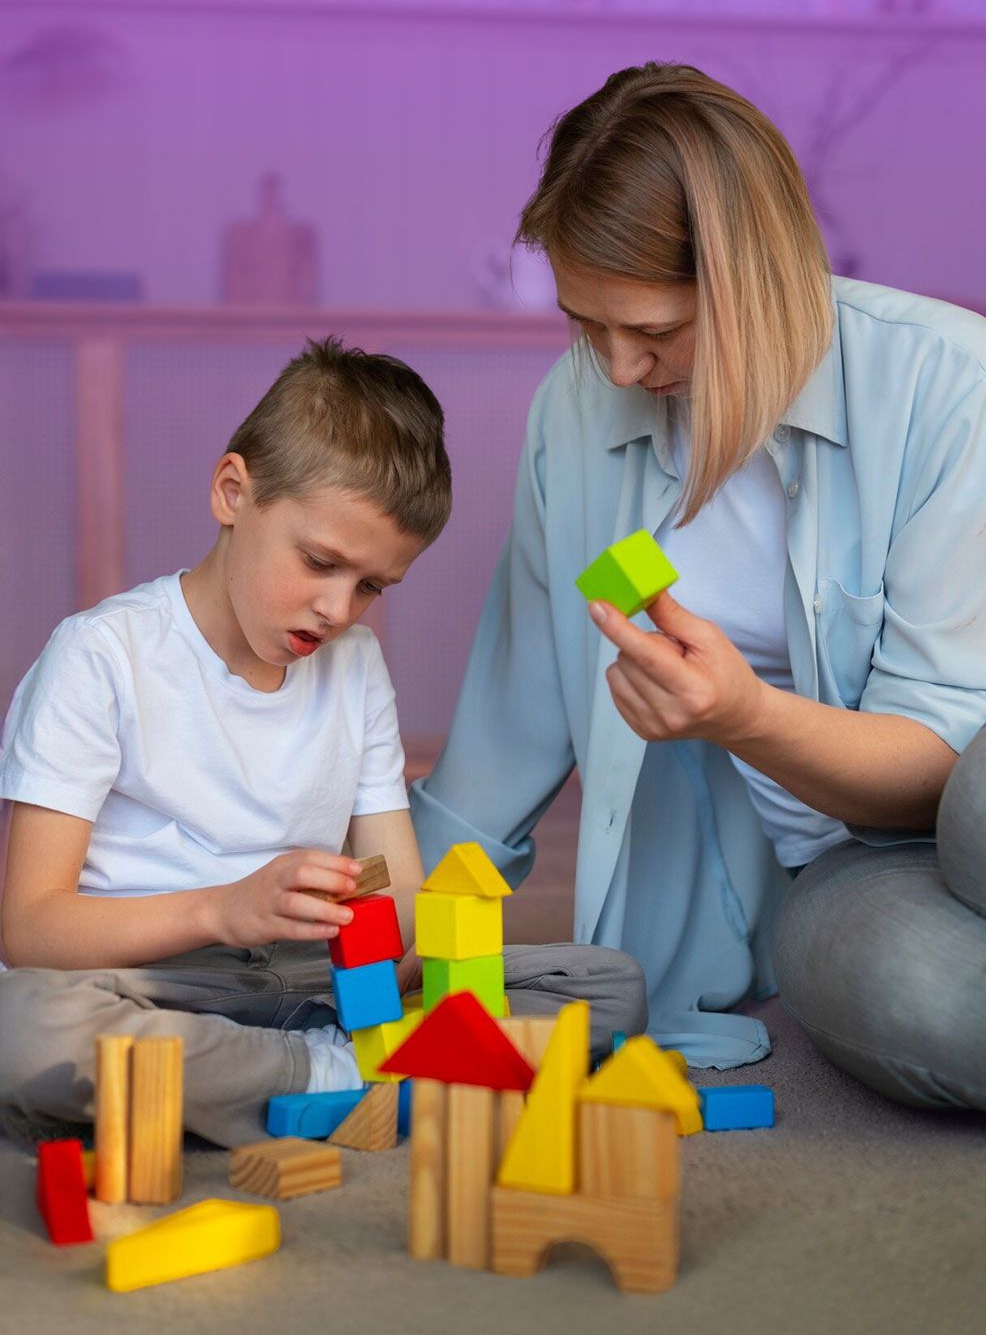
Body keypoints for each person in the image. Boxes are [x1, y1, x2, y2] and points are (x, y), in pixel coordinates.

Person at [409, 62, 986, 1145]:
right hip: (851, 854)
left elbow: (942, 761)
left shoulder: (950, 378)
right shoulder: (576, 414)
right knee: (872, 975)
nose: (618, 369)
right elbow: (509, 727)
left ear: (755, 281)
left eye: (656, 332)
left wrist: (745, 717)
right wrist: (373, 919)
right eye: (587, 325)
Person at [0, 339, 646, 1149]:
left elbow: (398, 890)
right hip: (152, 981)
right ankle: (332, 1076)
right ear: (233, 493)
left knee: (605, 985)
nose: (338, 610)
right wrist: (222, 909)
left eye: (371, 585)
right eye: (320, 562)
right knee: (25, 1029)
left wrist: (412, 945)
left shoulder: (355, 665)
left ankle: (270, 1076)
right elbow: (30, 928)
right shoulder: (101, 655)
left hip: (314, 982)